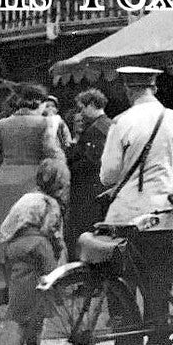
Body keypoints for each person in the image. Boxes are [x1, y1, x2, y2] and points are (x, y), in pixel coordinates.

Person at [99, 66, 173, 345]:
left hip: (125, 218)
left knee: (120, 290)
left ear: (127, 88)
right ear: (154, 87)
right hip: (161, 216)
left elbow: (108, 175)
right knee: (158, 291)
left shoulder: (122, 122)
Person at [0, 83, 65, 284]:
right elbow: (51, 153)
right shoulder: (44, 123)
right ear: (39, 101)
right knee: (32, 224)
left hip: (5, 179)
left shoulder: (3, 124)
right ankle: (36, 275)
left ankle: (5, 281)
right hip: (32, 177)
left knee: (5, 225)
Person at [0, 159, 67, 345]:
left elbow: (7, 225)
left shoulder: (27, 197)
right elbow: (50, 231)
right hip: (36, 252)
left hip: (15, 250)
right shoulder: (51, 205)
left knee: (22, 317)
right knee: (37, 314)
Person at [65, 89, 111, 259]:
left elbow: (90, 162)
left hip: (87, 189)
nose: (81, 113)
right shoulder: (107, 124)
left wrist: (68, 165)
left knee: (82, 230)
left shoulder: (97, 129)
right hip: (98, 187)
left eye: (82, 108)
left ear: (92, 104)